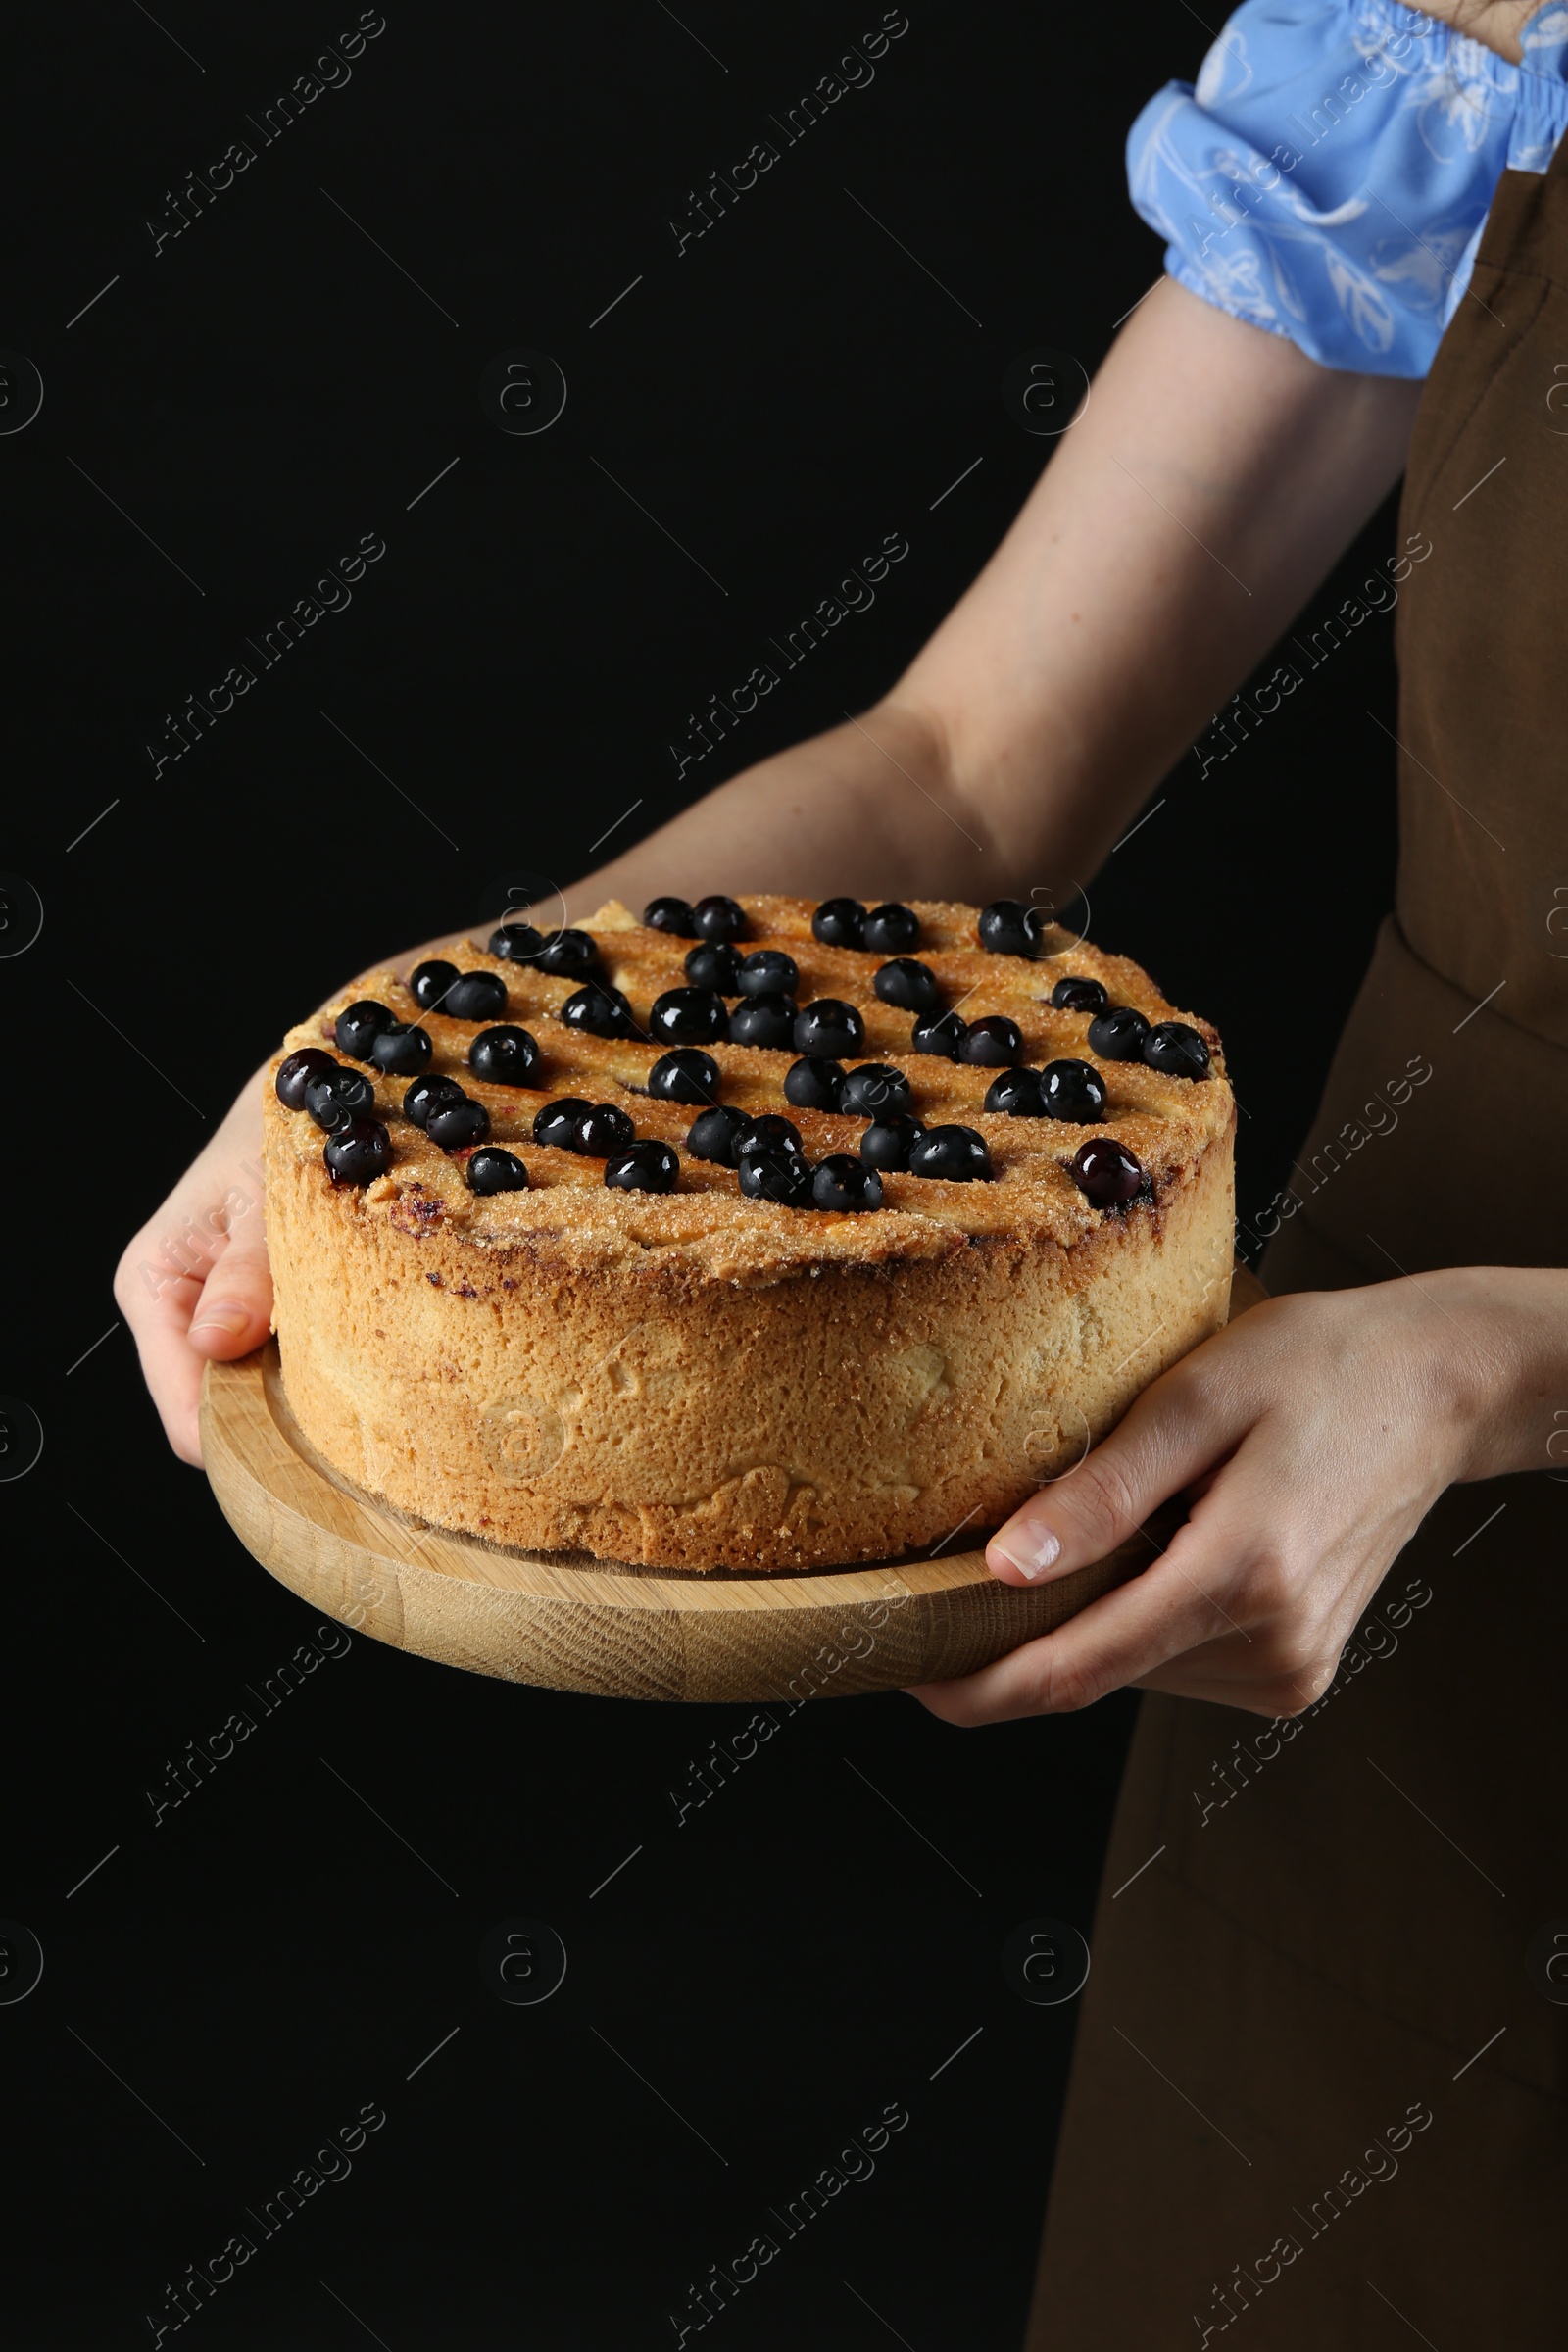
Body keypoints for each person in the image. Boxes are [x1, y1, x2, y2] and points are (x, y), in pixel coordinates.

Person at [118, 1, 1566, 2338]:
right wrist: (455, 1044)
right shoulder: (1456, 27)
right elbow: (968, 770)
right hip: (1367, 1520)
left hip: (1436, 1381)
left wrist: (1495, 1370)